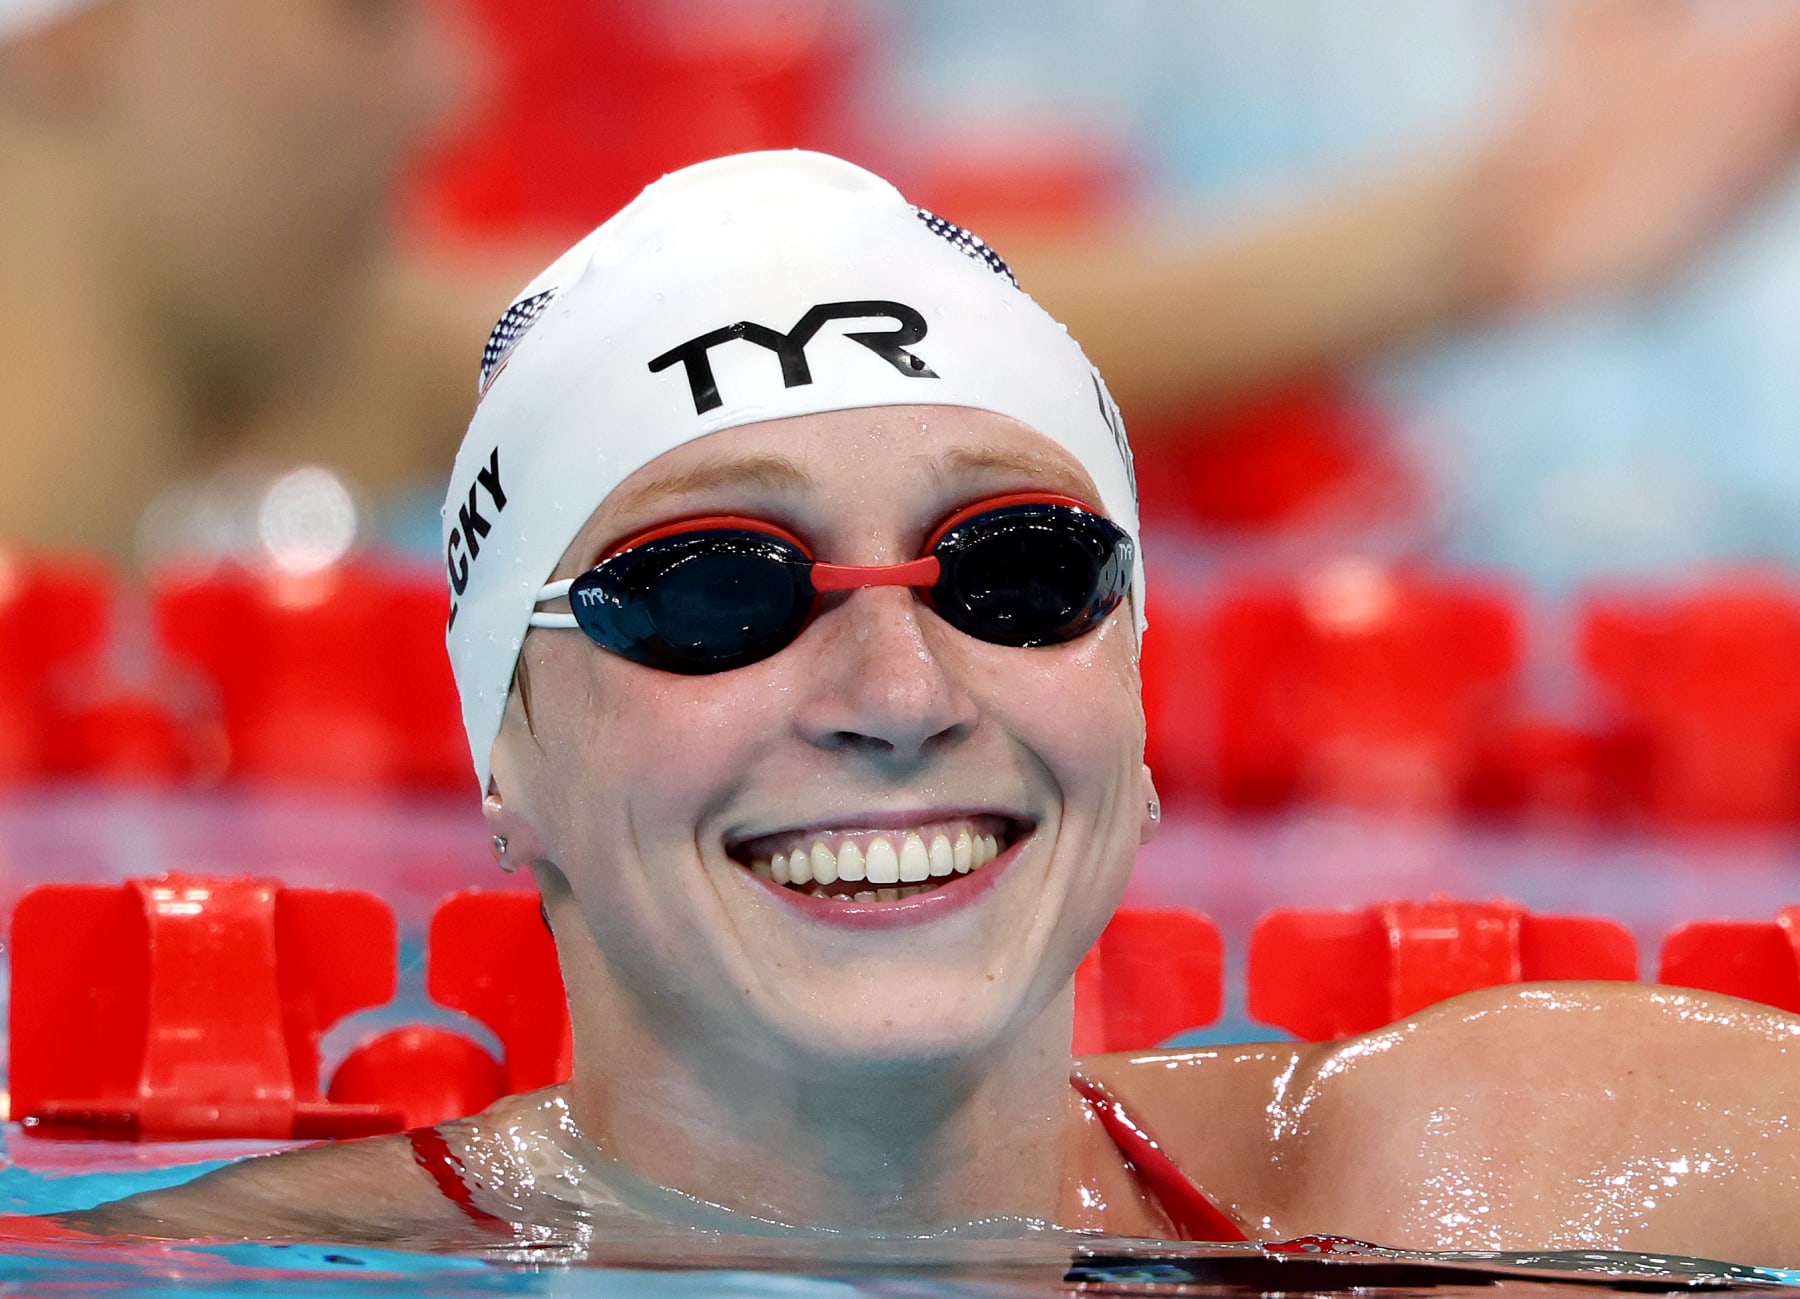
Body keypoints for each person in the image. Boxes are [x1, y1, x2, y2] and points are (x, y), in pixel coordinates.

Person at [57, 151, 1800, 1263]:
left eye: (1015, 568)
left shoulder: (1498, 1174)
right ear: (502, 748)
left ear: (1128, 693)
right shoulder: (210, 1269)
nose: (899, 692)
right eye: (716, 588)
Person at [12, 0, 1800, 560]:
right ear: (77, 45)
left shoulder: (309, 364)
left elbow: (832, 316)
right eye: (358, 17)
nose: (449, 87)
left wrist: (1476, 232)